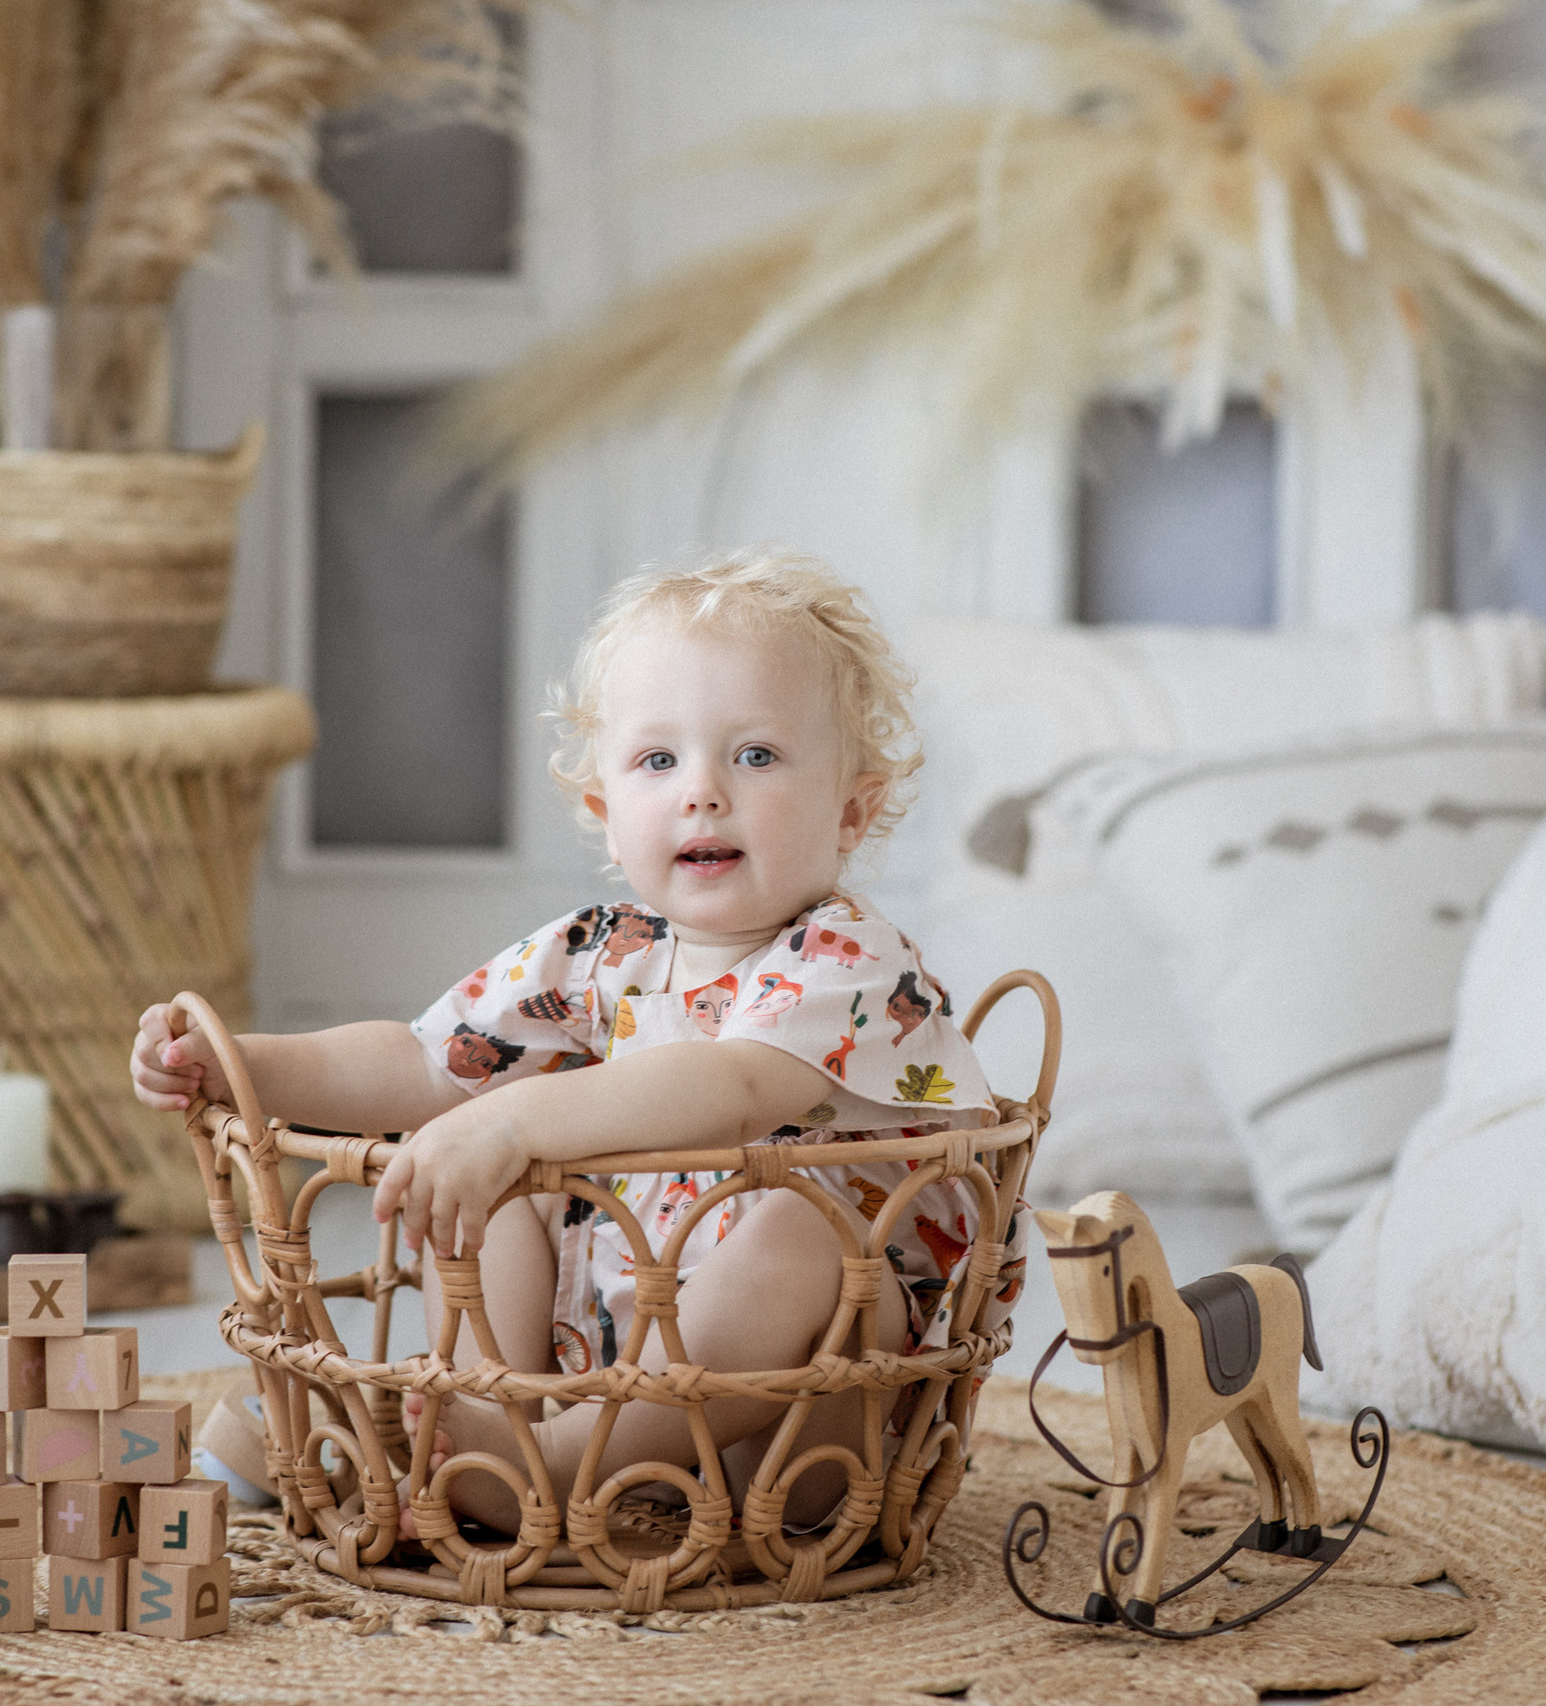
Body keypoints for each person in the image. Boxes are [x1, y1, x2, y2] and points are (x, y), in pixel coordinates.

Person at [129, 547, 1003, 1534]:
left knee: (804, 1235)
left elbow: (729, 1084)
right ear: (603, 810)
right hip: (585, 1372)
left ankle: (544, 1466)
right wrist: (244, 1062)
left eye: (755, 755)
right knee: (487, 1166)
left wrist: (518, 1115)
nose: (703, 791)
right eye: (657, 760)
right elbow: (423, 1060)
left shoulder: (847, 958)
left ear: (853, 808)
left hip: (803, 1433)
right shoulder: (600, 952)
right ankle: (480, 1416)